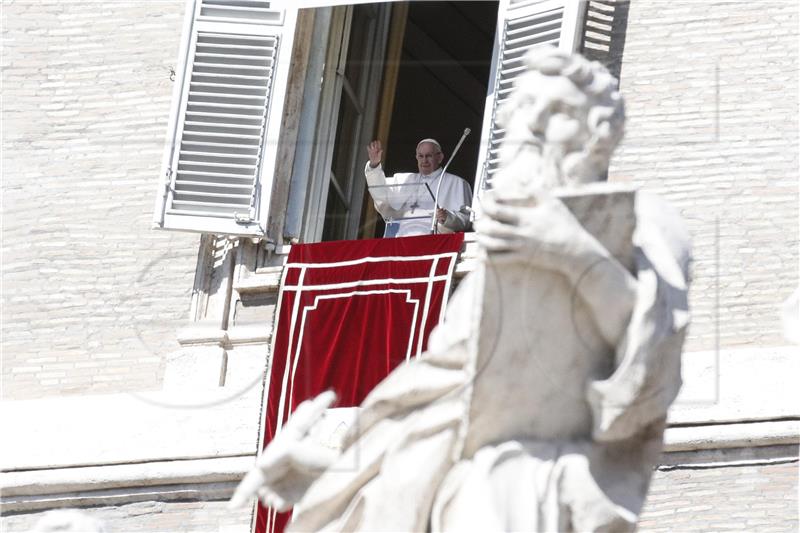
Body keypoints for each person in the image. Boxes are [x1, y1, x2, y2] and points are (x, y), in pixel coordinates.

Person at [232, 48, 691, 532]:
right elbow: (432, 389)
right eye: (520, 123)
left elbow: (651, 347)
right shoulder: (494, 260)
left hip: (538, 473)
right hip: (461, 474)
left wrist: (573, 251)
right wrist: (332, 467)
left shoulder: (639, 222)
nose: (524, 138)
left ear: (596, 131)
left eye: (546, 119)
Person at [365, 138, 472, 237]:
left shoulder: (457, 183)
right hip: (402, 241)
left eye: (429, 156)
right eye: (421, 156)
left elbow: (467, 220)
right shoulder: (404, 180)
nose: (424, 160)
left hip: (436, 243)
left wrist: (447, 217)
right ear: (416, 157)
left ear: (440, 157)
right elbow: (381, 195)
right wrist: (374, 166)